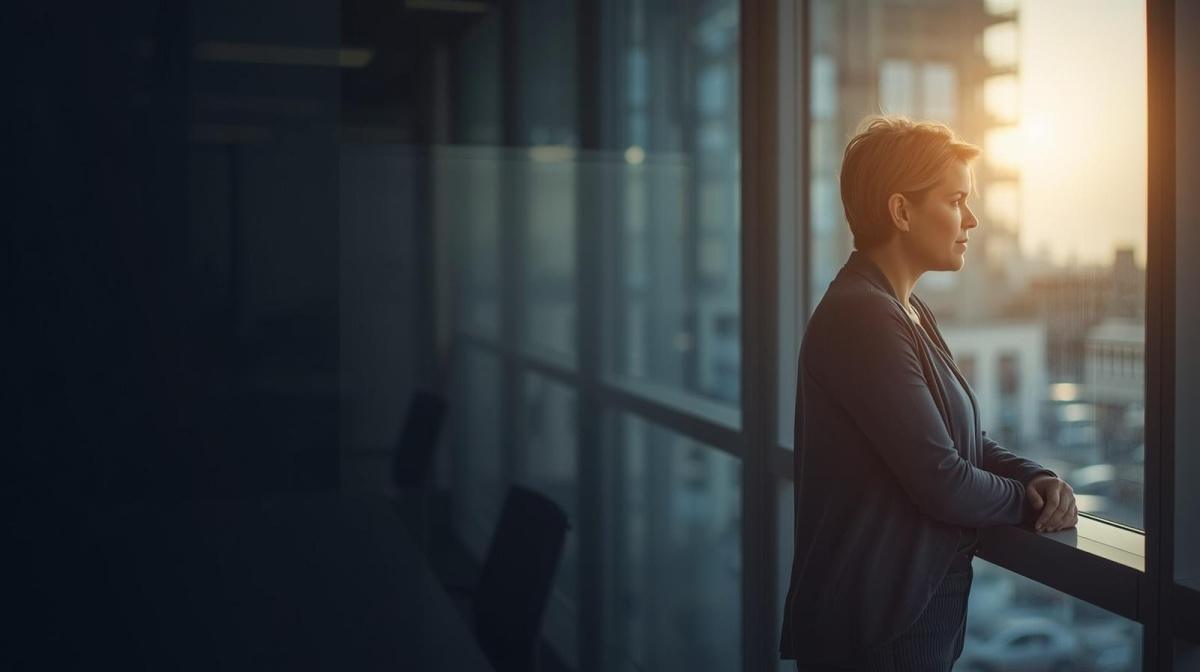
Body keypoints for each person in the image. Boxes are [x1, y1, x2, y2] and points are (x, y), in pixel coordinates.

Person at [778, 116, 1078, 671]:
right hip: (880, 628)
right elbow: (943, 481)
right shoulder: (863, 316)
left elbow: (963, 442)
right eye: (956, 200)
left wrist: (1035, 475)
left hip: (905, 615)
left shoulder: (905, 309)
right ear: (901, 211)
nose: (972, 219)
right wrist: (1029, 502)